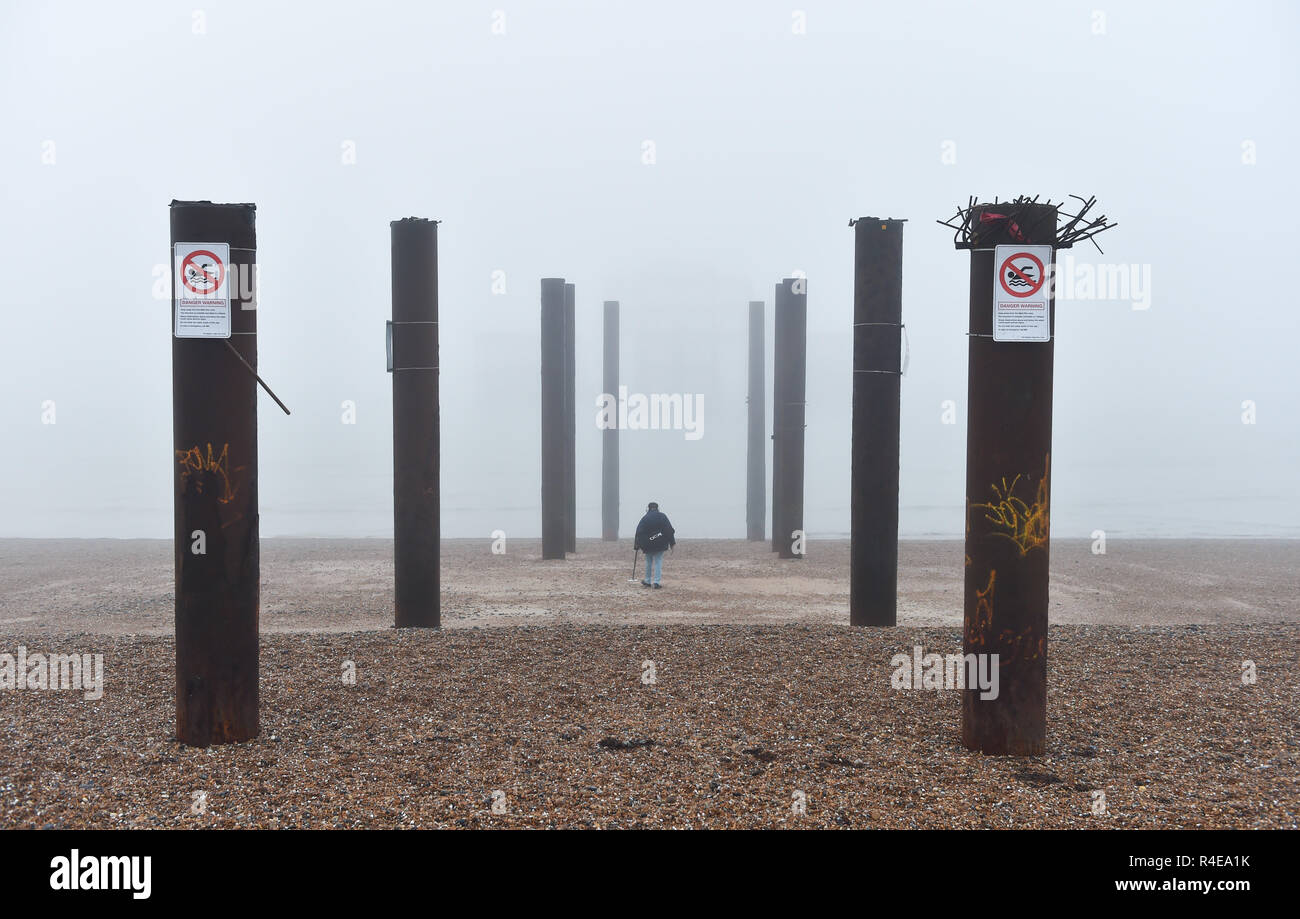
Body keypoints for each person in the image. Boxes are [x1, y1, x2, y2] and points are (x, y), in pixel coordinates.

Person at [634, 501, 676, 589]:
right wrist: (672, 543)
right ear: (657, 508)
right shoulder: (662, 516)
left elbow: (639, 532)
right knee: (658, 562)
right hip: (660, 543)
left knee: (648, 562)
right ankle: (656, 582)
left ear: (648, 509)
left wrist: (637, 545)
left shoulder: (645, 518)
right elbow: (669, 530)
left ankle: (647, 581)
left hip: (648, 544)